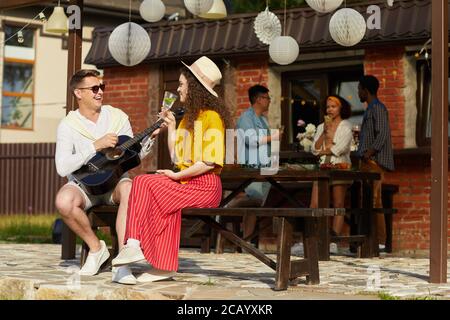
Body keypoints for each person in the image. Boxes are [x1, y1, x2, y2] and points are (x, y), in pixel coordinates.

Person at [111, 56, 232, 283]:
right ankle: (158, 261)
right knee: (145, 184)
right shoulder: (187, 118)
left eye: (181, 84)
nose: (178, 89)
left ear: (194, 87)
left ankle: (135, 245)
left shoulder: (212, 118)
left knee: (146, 183)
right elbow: (178, 157)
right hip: (187, 183)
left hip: (205, 186)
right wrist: (172, 127)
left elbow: (208, 162)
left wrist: (176, 176)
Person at [55, 69, 159, 284]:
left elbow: (132, 155)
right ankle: (96, 249)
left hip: (115, 183)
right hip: (85, 186)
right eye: (94, 88)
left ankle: (122, 262)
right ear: (78, 93)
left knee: (132, 189)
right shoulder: (68, 125)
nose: (100, 92)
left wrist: (149, 140)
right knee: (63, 201)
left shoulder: (117, 117)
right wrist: (94, 146)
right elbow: (62, 166)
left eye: (102, 87)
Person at [357, 75, 395, 247]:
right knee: (366, 199)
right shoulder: (370, 108)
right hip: (367, 161)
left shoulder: (378, 108)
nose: (358, 92)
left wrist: (369, 153)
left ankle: (379, 241)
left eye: (359, 89)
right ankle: (369, 238)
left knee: (374, 200)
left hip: (374, 161)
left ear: (365, 90)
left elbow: (383, 133)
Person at [310, 95, 353, 244]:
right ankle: (314, 239)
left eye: (333, 106)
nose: (330, 109)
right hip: (322, 167)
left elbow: (339, 149)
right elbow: (314, 149)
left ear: (341, 108)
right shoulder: (321, 126)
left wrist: (326, 149)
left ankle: (333, 241)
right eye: (328, 107)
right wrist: (324, 133)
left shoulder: (346, 126)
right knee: (315, 204)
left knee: (338, 205)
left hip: (339, 167)